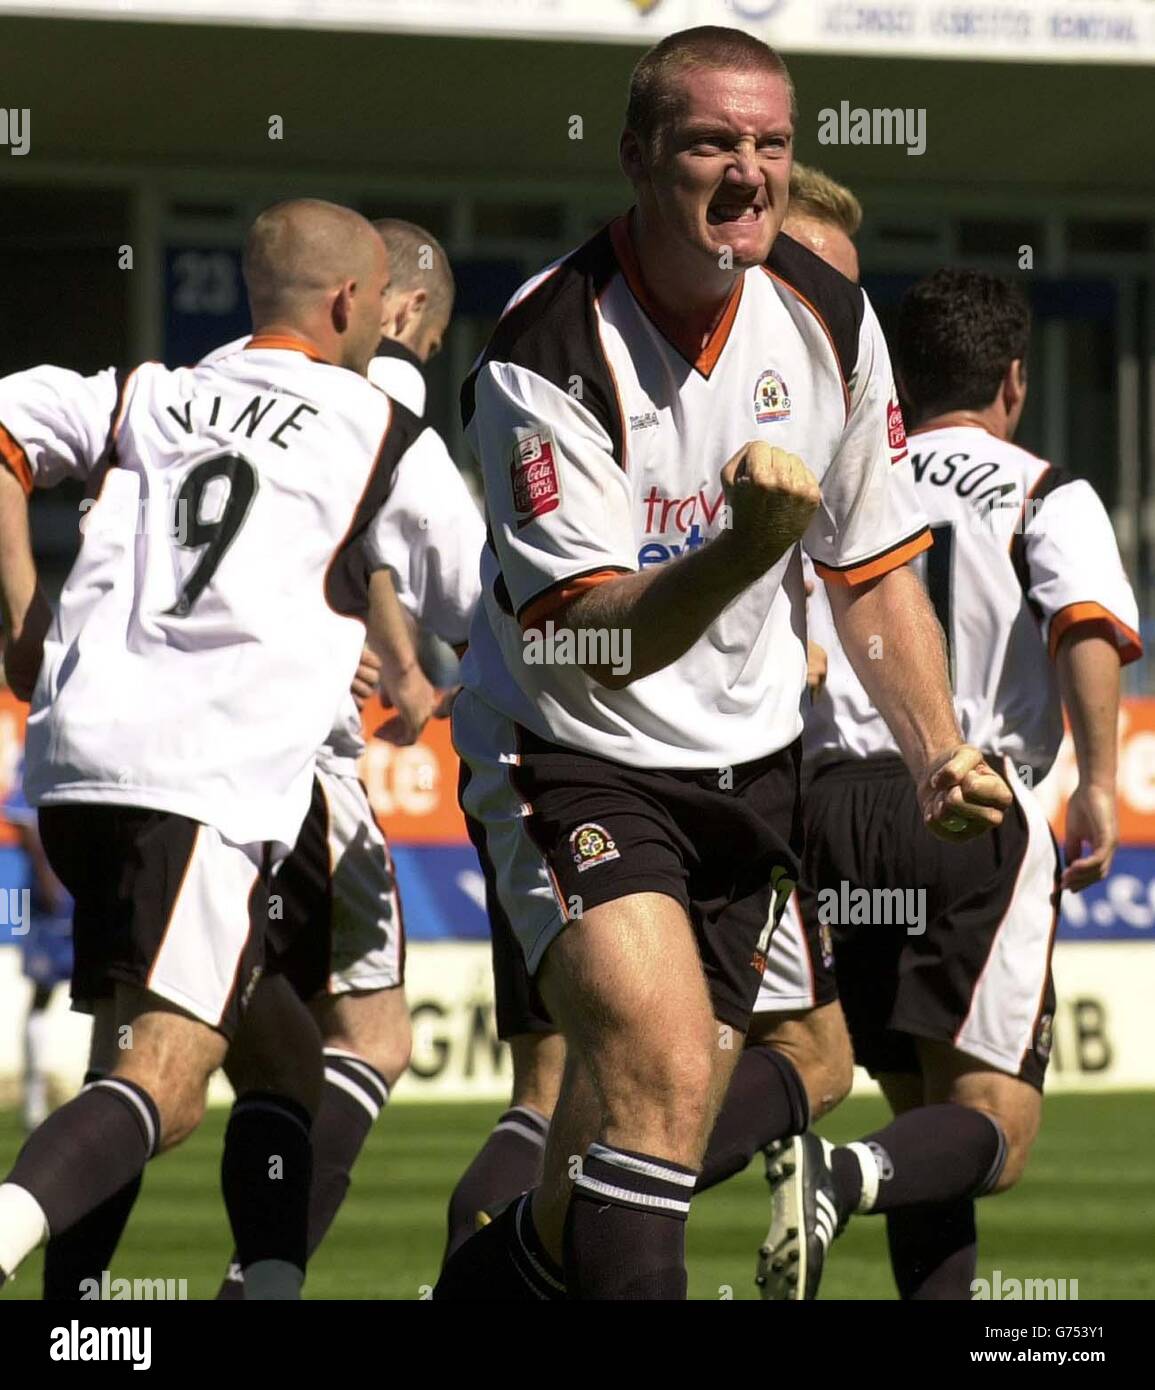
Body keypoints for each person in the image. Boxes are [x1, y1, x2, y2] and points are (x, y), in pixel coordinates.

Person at [437, 25, 1009, 1301]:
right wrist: (753, 543)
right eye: (711, 143)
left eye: (771, 144)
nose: (748, 172)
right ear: (638, 156)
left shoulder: (829, 307)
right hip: (575, 749)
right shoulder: (545, 350)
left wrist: (937, 747)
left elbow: (870, 571)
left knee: (608, 1158)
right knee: (667, 1073)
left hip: (752, 766)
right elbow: (603, 634)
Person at [0, 197, 436, 1299]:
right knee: (171, 1073)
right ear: (362, 304)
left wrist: (22, 623)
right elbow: (481, 589)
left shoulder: (155, 392)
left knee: (271, 1057)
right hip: (228, 772)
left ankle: (101, 1320)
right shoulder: (379, 421)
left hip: (82, 762)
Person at [761, 268, 1141, 1299]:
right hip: (967, 802)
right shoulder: (1041, 487)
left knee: (919, 1115)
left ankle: (849, 1179)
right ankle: (836, 1176)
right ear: (1013, 381)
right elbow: (1087, 623)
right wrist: (1102, 782)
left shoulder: (844, 483)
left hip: (835, 809)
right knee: (995, 1130)